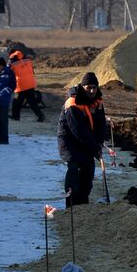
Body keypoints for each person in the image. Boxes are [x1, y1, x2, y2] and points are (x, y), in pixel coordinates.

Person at [57, 72, 109, 207]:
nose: (91, 91)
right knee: (75, 171)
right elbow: (79, 130)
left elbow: (101, 124)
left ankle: (83, 205)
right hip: (70, 143)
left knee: (88, 173)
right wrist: (94, 147)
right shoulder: (73, 102)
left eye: (94, 87)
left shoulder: (98, 100)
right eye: (88, 88)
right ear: (82, 87)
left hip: (87, 142)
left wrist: (98, 144)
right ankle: (72, 206)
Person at [9, 49, 44, 122]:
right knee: (32, 102)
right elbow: (32, 71)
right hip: (30, 83)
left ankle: (15, 116)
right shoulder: (27, 60)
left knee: (17, 102)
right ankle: (40, 115)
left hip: (20, 85)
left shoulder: (12, 62)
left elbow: (9, 72)